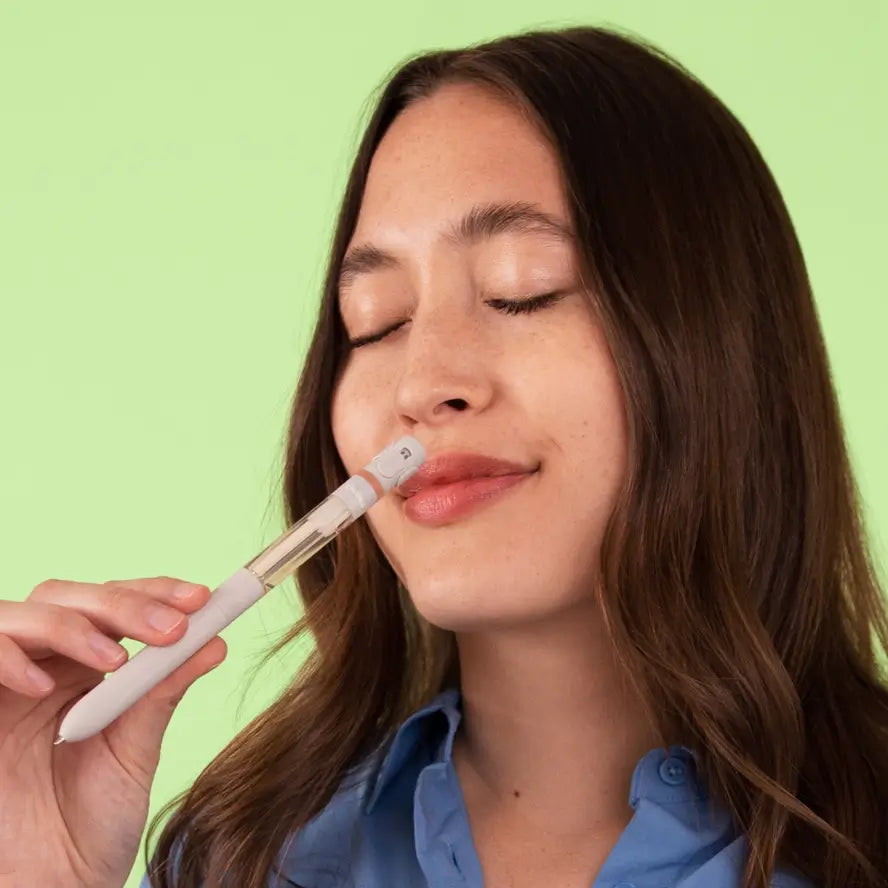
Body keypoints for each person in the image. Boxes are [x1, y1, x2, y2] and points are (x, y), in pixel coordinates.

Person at [2, 24, 886, 888]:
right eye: (376, 323)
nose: (420, 384)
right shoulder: (241, 864)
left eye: (520, 291)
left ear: (721, 344)